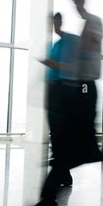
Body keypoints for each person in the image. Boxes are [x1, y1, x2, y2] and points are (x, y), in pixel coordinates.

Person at [33, 0, 103, 206]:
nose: (75, 5)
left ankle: (49, 198)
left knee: (79, 147)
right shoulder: (85, 26)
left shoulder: (94, 23)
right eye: (74, 1)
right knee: (79, 147)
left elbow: (86, 58)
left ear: (83, 0)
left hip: (85, 91)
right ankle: (48, 198)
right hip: (80, 91)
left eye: (77, 0)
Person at [41, 12, 79, 180]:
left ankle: (63, 172)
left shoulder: (69, 41)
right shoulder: (55, 45)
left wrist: (50, 63)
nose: (54, 25)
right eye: (52, 23)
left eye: (56, 22)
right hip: (52, 91)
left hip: (61, 91)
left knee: (59, 133)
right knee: (55, 132)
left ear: (60, 22)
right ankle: (62, 171)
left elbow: (68, 67)